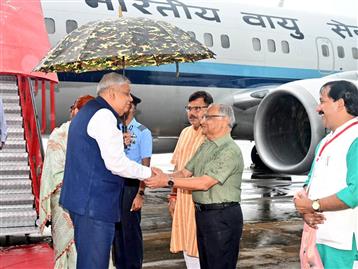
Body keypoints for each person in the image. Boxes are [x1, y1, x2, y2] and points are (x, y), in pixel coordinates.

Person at [59, 73, 155, 269]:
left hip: (85, 203)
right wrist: (150, 174)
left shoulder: (91, 111)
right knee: (94, 263)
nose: (130, 99)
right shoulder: (104, 115)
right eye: (127, 94)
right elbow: (117, 163)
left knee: (89, 261)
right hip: (94, 206)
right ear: (111, 93)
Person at [146, 104, 244, 269]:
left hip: (222, 217)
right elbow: (185, 172)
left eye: (208, 117)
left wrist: (167, 181)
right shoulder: (206, 145)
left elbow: (204, 183)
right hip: (204, 216)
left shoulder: (230, 151)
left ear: (224, 121)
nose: (203, 121)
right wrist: (161, 175)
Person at [294, 80, 358, 269]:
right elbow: (310, 182)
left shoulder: (355, 138)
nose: (318, 108)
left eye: (322, 101)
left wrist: (314, 205)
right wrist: (304, 208)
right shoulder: (326, 141)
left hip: (345, 241)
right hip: (320, 237)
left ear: (340, 103)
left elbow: (354, 193)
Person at [39, 95, 94, 269]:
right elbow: (54, 171)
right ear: (75, 111)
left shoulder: (96, 134)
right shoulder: (60, 134)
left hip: (89, 201)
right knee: (67, 247)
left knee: (90, 246)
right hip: (65, 199)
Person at [168, 91, 213, 268]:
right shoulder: (185, 133)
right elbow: (177, 167)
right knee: (187, 246)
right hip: (182, 202)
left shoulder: (211, 135)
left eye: (197, 108)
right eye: (189, 108)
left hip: (202, 203)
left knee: (201, 248)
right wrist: (173, 196)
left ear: (208, 109)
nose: (191, 113)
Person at [113, 94, 152, 269]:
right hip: (115, 184)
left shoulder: (143, 132)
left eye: (129, 104)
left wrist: (140, 194)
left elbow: (146, 166)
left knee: (131, 232)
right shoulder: (114, 130)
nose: (126, 107)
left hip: (131, 186)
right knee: (117, 231)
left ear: (133, 108)